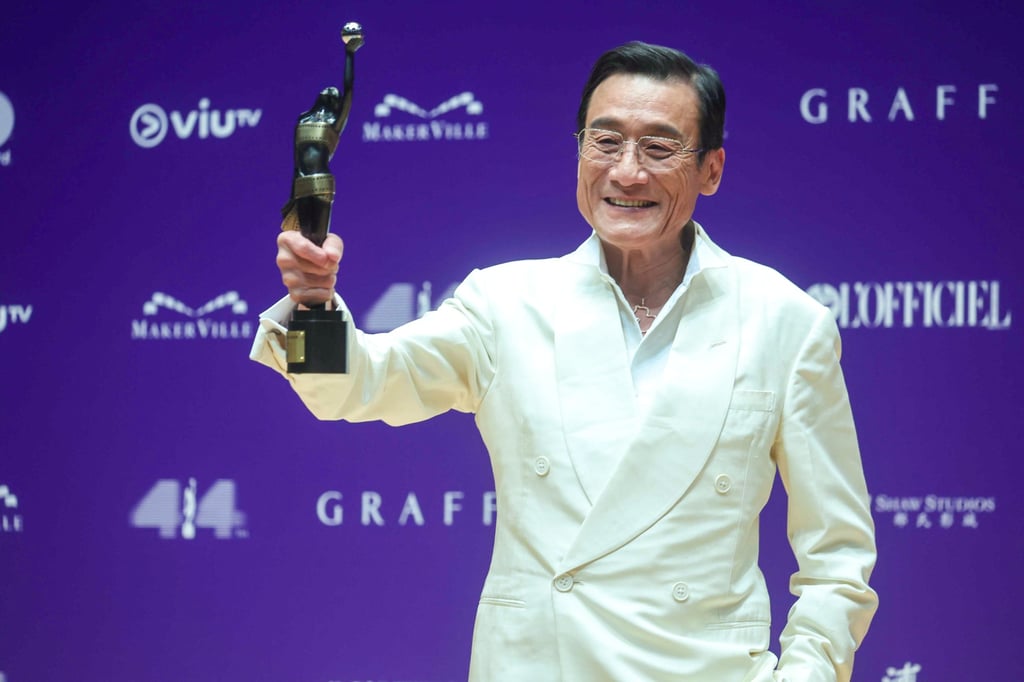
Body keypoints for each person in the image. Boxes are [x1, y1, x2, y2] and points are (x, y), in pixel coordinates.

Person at [252, 41, 878, 682]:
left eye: (659, 148)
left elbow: (838, 555)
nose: (627, 173)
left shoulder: (785, 322)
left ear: (712, 170)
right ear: (579, 151)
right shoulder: (505, 303)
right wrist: (315, 304)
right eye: (605, 142)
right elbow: (362, 386)